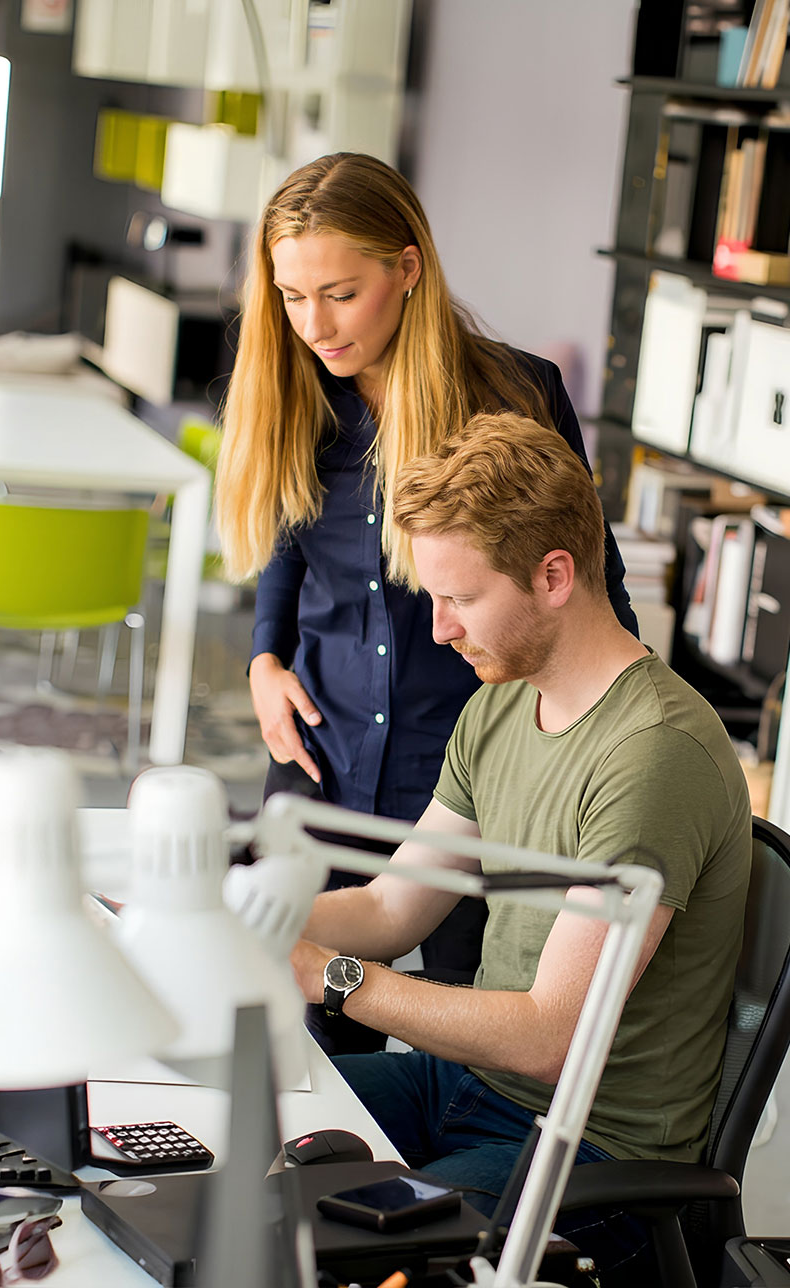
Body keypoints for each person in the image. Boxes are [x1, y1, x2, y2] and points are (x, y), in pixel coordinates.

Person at [288, 412, 752, 1277]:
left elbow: (551, 1038)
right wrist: (257, 914)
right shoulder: (501, 700)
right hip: (469, 1086)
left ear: (553, 576)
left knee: (343, 1252)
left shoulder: (654, 755)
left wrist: (330, 976)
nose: (439, 629)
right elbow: (394, 907)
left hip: (589, 1146)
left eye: (461, 599)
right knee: (243, 1134)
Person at [215, 154, 637, 1041]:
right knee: (304, 1022)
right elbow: (290, 538)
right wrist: (263, 658)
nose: (315, 325)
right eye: (292, 298)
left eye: (339, 293)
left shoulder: (514, 395)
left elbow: (589, 581)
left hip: (463, 765)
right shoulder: (298, 392)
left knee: (468, 1025)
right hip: (320, 746)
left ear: (407, 269)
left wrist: (613, 743)